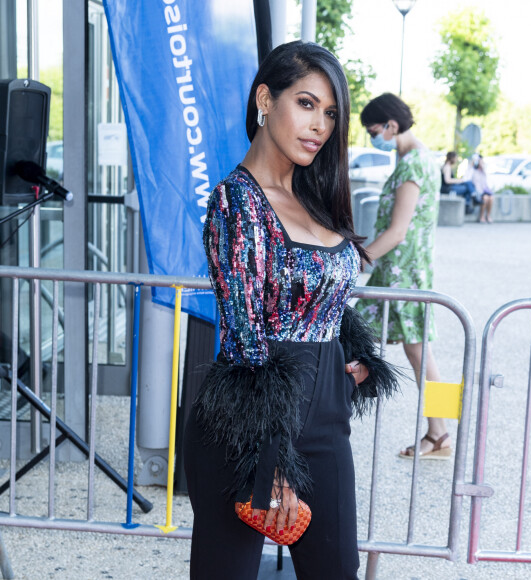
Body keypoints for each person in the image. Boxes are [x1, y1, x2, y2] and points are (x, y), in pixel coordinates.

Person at [182, 41, 398, 580]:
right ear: (264, 99)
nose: (319, 125)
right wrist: (267, 455)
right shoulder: (237, 201)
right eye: (306, 103)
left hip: (325, 415)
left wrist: (352, 362)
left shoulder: (314, 195)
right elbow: (243, 334)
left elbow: (322, 297)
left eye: (330, 113)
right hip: (248, 426)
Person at [355, 93, 452, 461]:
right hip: (400, 273)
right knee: (418, 354)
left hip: (402, 275)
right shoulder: (418, 159)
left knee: (419, 354)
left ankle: (440, 432)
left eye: (373, 130)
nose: (372, 137)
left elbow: (397, 231)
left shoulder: (413, 166)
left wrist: (357, 258)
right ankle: (439, 432)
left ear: (391, 126)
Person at [465, 153, 494, 223]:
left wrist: (483, 167)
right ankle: (481, 216)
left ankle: (488, 215)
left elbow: (488, 178)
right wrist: (472, 165)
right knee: (485, 198)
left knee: (491, 198)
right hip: (478, 191)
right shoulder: (473, 170)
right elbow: (467, 178)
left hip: (485, 190)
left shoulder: (484, 170)